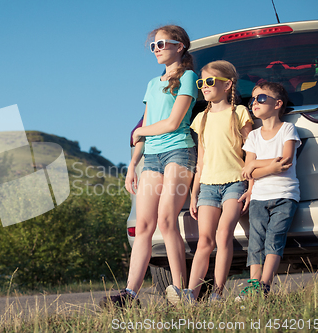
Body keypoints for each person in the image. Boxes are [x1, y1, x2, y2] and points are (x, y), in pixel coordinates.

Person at [99, 25, 198, 308]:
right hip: (151, 157)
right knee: (143, 225)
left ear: (179, 46)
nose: (156, 49)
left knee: (167, 221)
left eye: (162, 44)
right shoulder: (152, 84)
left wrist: (142, 133)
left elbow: (172, 123)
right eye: (153, 46)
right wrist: (133, 164)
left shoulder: (189, 77)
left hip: (178, 151)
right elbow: (144, 124)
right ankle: (130, 295)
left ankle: (181, 293)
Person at [185, 60, 253, 303]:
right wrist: (194, 193)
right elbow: (200, 160)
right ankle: (191, 293)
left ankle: (217, 292)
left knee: (224, 235)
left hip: (235, 182)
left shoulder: (240, 113)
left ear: (228, 85)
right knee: (204, 240)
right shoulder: (201, 119)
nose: (204, 86)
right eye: (201, 82)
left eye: (210, 81)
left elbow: (251, 151)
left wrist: (251, 185)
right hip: (208, 187)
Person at [236, 81, 301, 300]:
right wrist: (268, 167)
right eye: (252, 99)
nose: (255, 103)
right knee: (255, 241)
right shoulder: (253, 136)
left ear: (278, 104)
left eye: (261, 98)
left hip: (285, 196)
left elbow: (287, 160)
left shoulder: (287, 129)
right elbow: (248, 171)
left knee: (274, 239)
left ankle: (264, 285)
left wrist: (258, 165)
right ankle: (253, 285)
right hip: (259, 198)